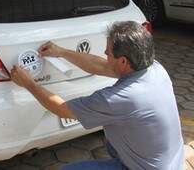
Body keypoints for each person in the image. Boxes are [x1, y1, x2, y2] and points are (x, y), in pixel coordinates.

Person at [10, 21, 184, 170]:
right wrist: (61, 52)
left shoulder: (120, 98)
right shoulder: (154, 68)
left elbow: (62, 109)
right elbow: (101, 66)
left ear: (123, 61)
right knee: (113, 141)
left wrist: (28, 84)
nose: (105, 55)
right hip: (170, 163)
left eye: (108, 52)